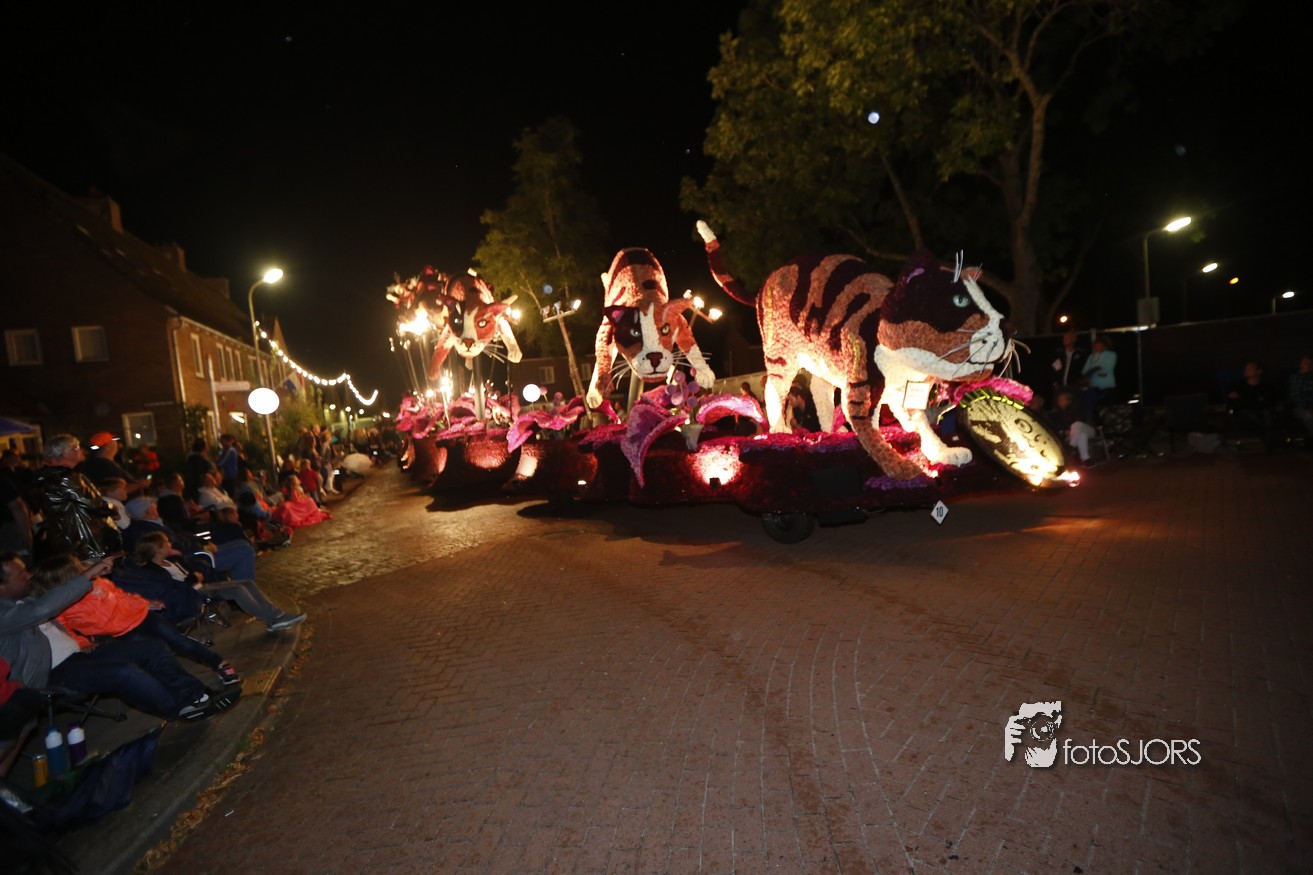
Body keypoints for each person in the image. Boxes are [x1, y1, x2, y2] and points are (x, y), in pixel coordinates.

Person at [0, 553, 226, 721]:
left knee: (153, 648)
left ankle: (194, 697)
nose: (29, 575)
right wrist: (87, 575)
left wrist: (82, 642)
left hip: (81, 654)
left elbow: (58, 619)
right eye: (21, 574)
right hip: (52, 673)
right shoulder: (4, 614)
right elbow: (43, 610)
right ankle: (178, 708)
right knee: (122, 672)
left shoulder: (25, 598)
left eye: (26, 570)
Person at [32, 553, 240, 689]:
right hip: (118, 634)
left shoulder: (97, 583)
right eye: (76, 568)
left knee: (179, 641)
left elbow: (121, 595)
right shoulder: (61, 607)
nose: (83, 570)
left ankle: (219, 663)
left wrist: (145, 603)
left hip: (141, 616)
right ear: (64, 577)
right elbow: (64, 630)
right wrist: (83, 643)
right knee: (159, 655)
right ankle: (191, 690)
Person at [131, 531, 305, 633]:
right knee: (237, 590)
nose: (170, 544)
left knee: (246, 582)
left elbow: (187, 571)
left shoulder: (171, 561)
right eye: (166, 543)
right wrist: (194, 579)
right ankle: (272, 618)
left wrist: (187, 566)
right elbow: (173, 589)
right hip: (193, 595)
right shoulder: (154, 571)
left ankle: (275, 616)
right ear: (158, 550)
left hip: (201, 587)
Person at [31, 434, 119, 562]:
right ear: (67, 453)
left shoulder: (50, 476)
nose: (82, 451)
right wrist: (113, 508)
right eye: (77, 448)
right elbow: (94, 504)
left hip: (69, 540)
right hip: (82, 542)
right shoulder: (65, 478)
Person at [76, 432, 148, 496]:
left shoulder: (96, 463)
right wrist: (140, 485)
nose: (116, 443)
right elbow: (114, 491)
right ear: (107, 446)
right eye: (113, 440)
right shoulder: (104, 466)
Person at [1227, 360, 1278, 448]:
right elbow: (1235, 402)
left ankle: (1270, 440)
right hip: (1243, 413)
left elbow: (1269, 402)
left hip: (1261, 411)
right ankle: (1271, 439)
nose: (1246, 370)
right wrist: (1254, 400)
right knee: (1251, 416)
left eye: (1250, 368)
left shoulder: (1266, 387)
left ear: (1259, 371)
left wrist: (1244, 399)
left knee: (1268, 415)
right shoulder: (1238, 385)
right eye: (1246, 368)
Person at [1049, 389, 1100, 466]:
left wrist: (1071, 430)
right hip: (1073, 435)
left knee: (1077, 424)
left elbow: (1082, 421)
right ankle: (1086, 459)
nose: (1059, 401)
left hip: (1087, 430)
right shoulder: (1056, 414)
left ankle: (1070, 447)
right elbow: (1056, 427)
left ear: (1069, 401)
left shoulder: (1077, 409)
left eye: (1062, 399)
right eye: (1058, 399)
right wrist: (1064, 432)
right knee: (1081, 435)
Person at [1079, 335, 1117, 423]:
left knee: (1108, 411)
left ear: (1105, 345)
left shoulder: (1111, 355)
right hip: (1094, 388)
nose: (1098, 347)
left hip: (1107, 387)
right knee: (1095, 412)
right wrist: (1097, 371)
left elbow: (1107, 368)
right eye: (1096, 345)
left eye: (1100, 345)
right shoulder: (1092, 356)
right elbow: (1085, 371)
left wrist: (1094, 372)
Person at [1048, 329, 1088, 403]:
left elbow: (1084, 370)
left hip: (1074, 387)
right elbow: (1053, 369)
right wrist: (1055, 383)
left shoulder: (1080, 353)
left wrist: (1079, 383)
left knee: (1073, 405)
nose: (1064, 340)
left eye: (1067, 338)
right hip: (1060, 387)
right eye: (1064, 338)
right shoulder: (1059, 353)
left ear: (1074, 339)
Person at [1288, 354, 1313, 444]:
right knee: (1308, 416)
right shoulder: (1295, 377)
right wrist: (1308, 407)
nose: (1308, 365)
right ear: (1300, 365)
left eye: (1310, 363)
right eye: (1305, 363)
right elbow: (1296, 395)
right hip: (1300, 407)